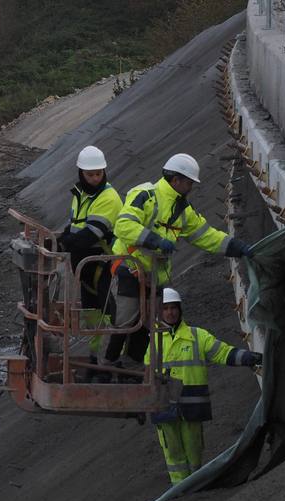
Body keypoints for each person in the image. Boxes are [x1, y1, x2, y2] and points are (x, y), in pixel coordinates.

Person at [105, 153, 251, 367]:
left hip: (156, 275)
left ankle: (132, 366)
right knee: (125, 320)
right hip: (129, 266)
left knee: (149, 324)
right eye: (189, 182)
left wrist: (236, 247)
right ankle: (108, 364)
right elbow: (124, 226)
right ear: (176, 180)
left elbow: (205, 236)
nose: (191, 187)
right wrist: (155, 240)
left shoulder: (183, 210)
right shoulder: (146, 195)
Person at [146, 287, 261, 484]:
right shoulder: (152, 341)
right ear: (159, 311)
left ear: (180, 310)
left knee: (194, 448)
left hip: (191, 405)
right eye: (165, 308)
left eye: (173, 308)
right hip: (163, 405)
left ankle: (195, 483)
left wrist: (249, 357)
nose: (170, 312)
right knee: (172, 451)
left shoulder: (197, 336)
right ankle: (180, 487)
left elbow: (222, 352)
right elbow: (146, 375)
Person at [57, 145, 122, 362]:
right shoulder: (81, 194)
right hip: (85, 265)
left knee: (106, 308)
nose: (95, 178)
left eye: (98, 173)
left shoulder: (108, 197)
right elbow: (76, 223)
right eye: (90, 174)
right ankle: (95, 355)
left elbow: (91, 234)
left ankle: (113, 357)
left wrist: (66, 243)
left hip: (101, 263)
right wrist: (64, 236)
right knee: (91, 310)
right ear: (81, 174)